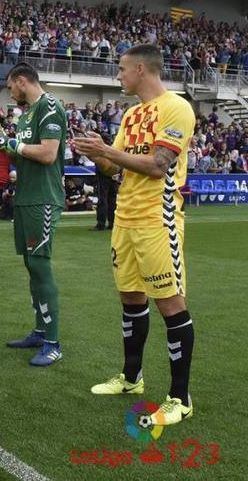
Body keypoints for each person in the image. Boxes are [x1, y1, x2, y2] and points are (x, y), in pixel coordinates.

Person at [73, 44, 197, 426]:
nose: (118, 75)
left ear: (141, 69)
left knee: (170, 305)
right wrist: (98, 156)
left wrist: (108, 150)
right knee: (130, 297)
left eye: (122, 69)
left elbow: (158, 166)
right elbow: (119, 170)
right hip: (125, 219)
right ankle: (131, 379)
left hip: (157, 221)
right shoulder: (131, 114)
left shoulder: (177, 108)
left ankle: (180, 398)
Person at [0, 62, 67, 367]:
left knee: (40, 266)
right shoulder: (27, 113)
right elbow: (23, 150)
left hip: (43, 199)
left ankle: (53, 343)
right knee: (32, 265)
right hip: (26, 197)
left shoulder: (50, 106)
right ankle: (40, 332)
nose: (9, 91)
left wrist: (12, 143)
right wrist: (1, 142)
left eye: (10, 86)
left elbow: (48, 153)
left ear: (21, 81)